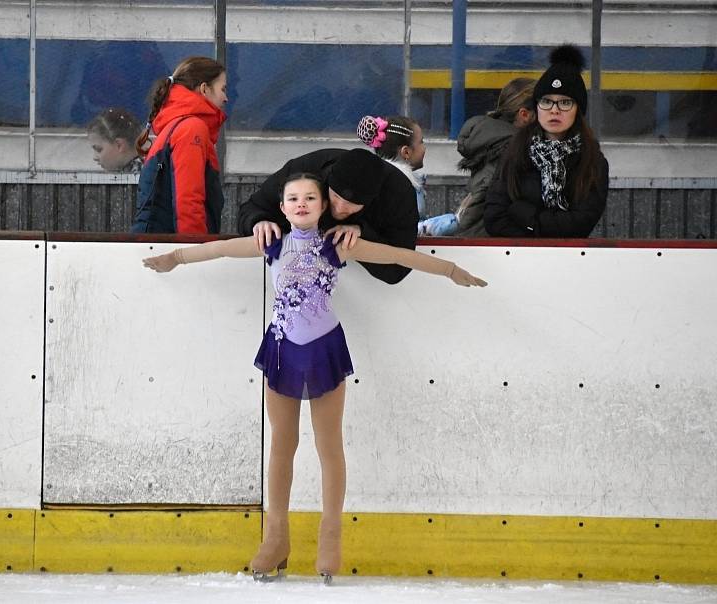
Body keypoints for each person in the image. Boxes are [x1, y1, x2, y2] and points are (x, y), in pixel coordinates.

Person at [143, 173, 487, 583]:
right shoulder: (270, 242)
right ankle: (276, 538)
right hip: (283, 349)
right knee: (282, 445)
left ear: (323, 206)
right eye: (293, 198)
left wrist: (448, 269)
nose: (301, 203)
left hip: (324, 349)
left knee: (329, 447)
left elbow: (399, 255)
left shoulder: (336, 245)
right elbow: (219, 249)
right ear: (283, 207)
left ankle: (330, 538)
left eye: (310, 197)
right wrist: (176, 258)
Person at [236, 148, 418, 285]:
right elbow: (250, 209)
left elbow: (399, 268)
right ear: (327, 182)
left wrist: (362, 233)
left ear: (370, 201)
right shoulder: (303, 172)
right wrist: (258, 221)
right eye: (335, 197)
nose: (339, 208)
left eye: (351, 205)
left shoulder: (398, 194)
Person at [484, 45, 609, 237]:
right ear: (537, 107)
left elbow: (581, 224)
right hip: (518, 258)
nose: (554, 110)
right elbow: (495, 218)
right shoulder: (515, 151)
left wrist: (525, 215)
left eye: (565, 102)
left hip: (571, 260)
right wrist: (542, 232)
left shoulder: (593, 161)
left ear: (579, 110)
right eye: (546, 101)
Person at [418, 78, 536, 238]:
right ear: (525, 115)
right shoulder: (512, 149)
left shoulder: (493, 140)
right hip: (489, 242)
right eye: (544, 107)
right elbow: (484, 199)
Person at [130, 56, 228, 234]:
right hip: (169, 249)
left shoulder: (176, 126)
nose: (226, 98)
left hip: (156, 244)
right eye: (223, 89)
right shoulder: (192, 128)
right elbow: (188, 201)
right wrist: (195, 253)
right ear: (205, 89)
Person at [356, 115, 427, 219]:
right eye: (421, 142)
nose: (424, 147)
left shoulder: (377, 181)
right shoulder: (398, 189)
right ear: (406, 152)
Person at [86, 107, 143, 173]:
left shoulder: (139, 177)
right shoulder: (148, 168)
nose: (94, 157)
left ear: (119, 145)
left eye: (99, 149)